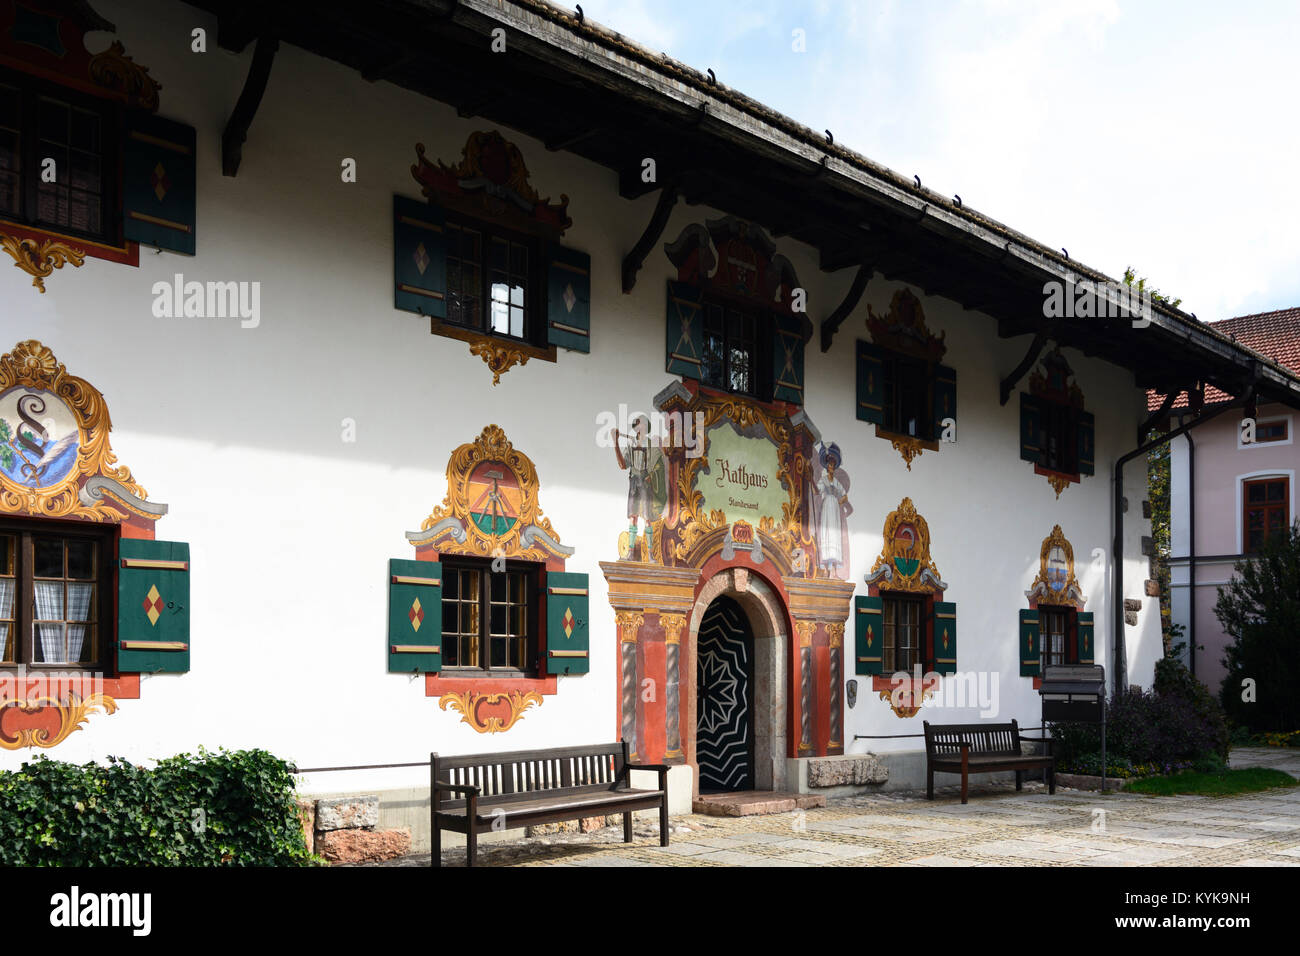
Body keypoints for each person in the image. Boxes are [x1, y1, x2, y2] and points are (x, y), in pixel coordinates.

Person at [611, 415, 660, 560]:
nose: (640, 427)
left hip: (645, 483)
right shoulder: (630, 444)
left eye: (642, 424)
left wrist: (651, 474)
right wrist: (616, 443)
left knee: (647, 518)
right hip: (634, 483)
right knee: (633, 518)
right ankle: (631, 553)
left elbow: (657, 466)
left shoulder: (651, 445)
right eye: (638, 424)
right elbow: (622, 465)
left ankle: (650, 555)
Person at [810, 443, 848, 575]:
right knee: (827, 532)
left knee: (834, 535)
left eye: (832, 465)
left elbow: (845, 496)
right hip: (827, 507)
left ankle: (835, 570)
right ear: (827, 467)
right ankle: (826, 568)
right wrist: (811, 480)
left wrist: (839, 501)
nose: (831, 467)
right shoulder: (823, 480)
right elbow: (816, 491)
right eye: (829, 465)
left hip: (835, 509)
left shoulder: (836, 482)